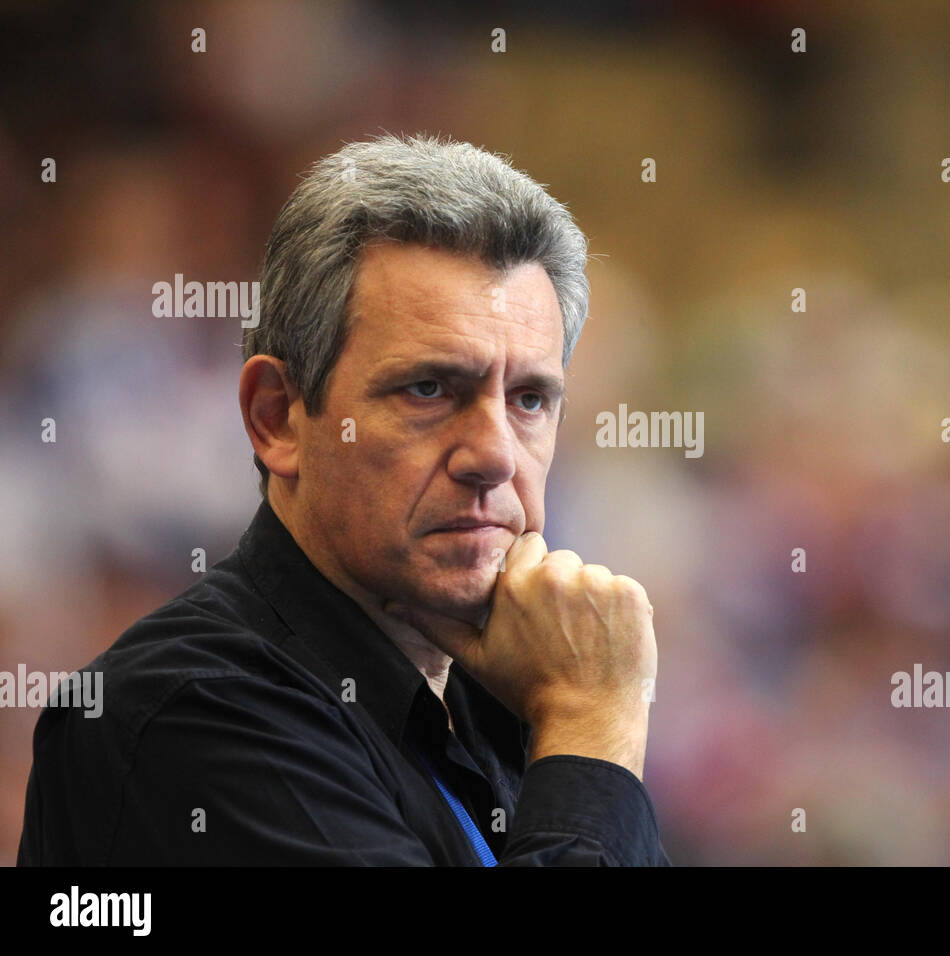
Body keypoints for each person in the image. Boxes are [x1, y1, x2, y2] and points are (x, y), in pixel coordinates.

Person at [17, 134, 669, 865]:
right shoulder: (191, 713)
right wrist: (592, 726)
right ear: (277, 417)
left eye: (528, 399)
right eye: (428, 389)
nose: (494, 456)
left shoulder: (507, 701)